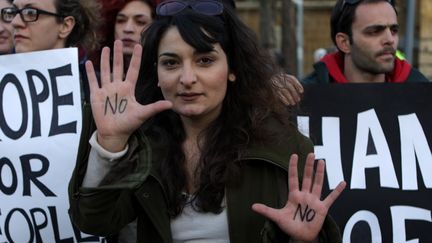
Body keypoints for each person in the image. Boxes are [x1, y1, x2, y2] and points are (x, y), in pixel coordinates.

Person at [68, 1, 346, 242]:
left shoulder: (283, 145)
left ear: (233, 69)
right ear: (157, 74)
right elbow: (95, 222)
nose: (187, 78)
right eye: (171, 63)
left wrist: (302, 240)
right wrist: (110, 144)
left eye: (204, 60)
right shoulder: (139, 143)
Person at [302, 0, 429, 84]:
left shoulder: (422, 94)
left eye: (394, 30)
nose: (390, 40)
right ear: (344, 43)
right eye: (374, 31)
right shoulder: (306, 96)